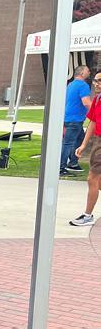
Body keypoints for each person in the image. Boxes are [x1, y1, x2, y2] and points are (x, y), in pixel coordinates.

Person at [70, 72, 101, 227]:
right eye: (95, 80)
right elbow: (93, 123)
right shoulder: (97, 99)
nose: (96, 83)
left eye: (100, 81)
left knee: (92, 178)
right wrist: (83, 144)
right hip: (98, 142)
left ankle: (88, 216)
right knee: (97, 181)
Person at [60, 65, 91, 176]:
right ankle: (61, 167)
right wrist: (96, 111)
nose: (89, 72)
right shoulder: (83, 85)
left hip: (69, 117)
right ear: (82, 73)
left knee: (80, 140)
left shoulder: (71, 85)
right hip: (75, 119)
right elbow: (86, 102)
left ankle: (73, 163)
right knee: (68, 143)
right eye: (87, 70)